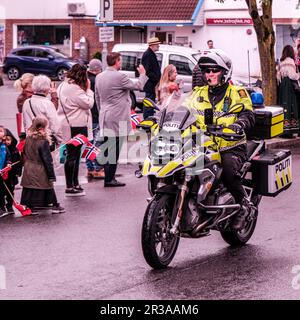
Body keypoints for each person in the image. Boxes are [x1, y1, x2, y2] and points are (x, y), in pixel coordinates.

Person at [188, 49, 255, 230]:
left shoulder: (236, 93)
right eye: (207, 71)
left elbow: (248, 114)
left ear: (225, 72)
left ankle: (245, 206)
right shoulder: (197, 93)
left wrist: (239, 125)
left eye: (214, 70)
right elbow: (182, 111)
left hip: (230, 145)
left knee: (228, 171)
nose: (210, 74)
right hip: (202, 144)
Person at [95, 52, 148, 187]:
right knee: (115, 148)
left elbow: (98, 98)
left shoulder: (99, 76)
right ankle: (110, 178)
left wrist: (102, 110)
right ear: (116, 62)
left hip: (105, 114)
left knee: (108, 147)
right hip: (117, 116)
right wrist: (142, 73)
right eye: (120, 61)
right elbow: (139, 86)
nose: (121, 63)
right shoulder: (119, 76)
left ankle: (108, 175)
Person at [57, 64, 94, 196]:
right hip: (75, 124)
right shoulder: (75, 89)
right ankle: (70, 185)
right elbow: (88, 103)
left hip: (67, 123)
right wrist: (88, 90)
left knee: (73, 155)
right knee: (73, 155)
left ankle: (74, 183)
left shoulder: (63, 85)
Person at [20, 118, 65, 214]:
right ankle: (54, 205)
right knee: (48, 185)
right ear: (42, 128)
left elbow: (24, 152)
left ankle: (31, 206)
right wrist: (51, 175)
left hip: (29, 166)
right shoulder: (43, 141)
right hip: (40, 167)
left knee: (30, 186)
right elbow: (47, 160)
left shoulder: (28, 138)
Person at [22, 75, 62, 149]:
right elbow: (55, 125)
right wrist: (59, 141)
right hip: (45, 140)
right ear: (46, 88)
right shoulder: (47, 103)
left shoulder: (27, 102)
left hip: (31, 140)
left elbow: (25, 123)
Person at [86, 58, 105, 179]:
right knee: (97, 143)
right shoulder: (96, 81)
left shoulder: (86, 80)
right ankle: (97, 168)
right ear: (97, 69)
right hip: (96, 116)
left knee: (89, 143)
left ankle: (90, 168)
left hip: (88, 117)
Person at [277, 45, 300, 132]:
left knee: (284, 104)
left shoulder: (281, 62)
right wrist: (298, 75)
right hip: (289, 85)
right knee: (291, 104)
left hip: (283, 84)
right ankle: (291, 129)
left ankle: (285, 129)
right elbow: (292, 75)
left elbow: (278, 76)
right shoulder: (290, 61)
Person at [141, 37, 162, 119]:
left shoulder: (150, 54)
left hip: (152, 84)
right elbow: (148, 71)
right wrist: (155, 78)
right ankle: (147, 119)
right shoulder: (148, 54)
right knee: (149, 103)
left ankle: (150, 117)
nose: (158, 46)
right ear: (152, 45)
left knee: (151, 102)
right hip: (150, 84)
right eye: (157, 45)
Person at [3, 129, 22, 214]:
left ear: (12, 140)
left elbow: (19, 162)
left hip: (12, 174)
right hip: (3, 173)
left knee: (11, 190)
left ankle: (9, 205)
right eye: (5, 140)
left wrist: (18, 172)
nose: (6, 142)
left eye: (8, 140)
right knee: (1, 191)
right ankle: (2, 206)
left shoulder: (15, 150)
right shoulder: (2, 149)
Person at [0, 126, 11, 217]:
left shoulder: (4, 147)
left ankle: (2, 208)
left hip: (2, 172)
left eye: (0, 131)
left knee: (1, 191)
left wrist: (8, 163)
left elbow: (8, 157)